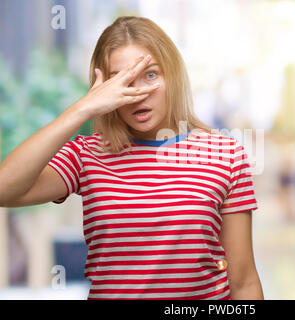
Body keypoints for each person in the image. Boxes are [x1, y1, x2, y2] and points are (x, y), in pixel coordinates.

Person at [0, 16, 263, 300]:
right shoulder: (86, 155)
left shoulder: (224, 154)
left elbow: (244, 282)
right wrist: (82, 109)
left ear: (172, 75)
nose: (138, 93)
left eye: (150, 74)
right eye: (120, 80)